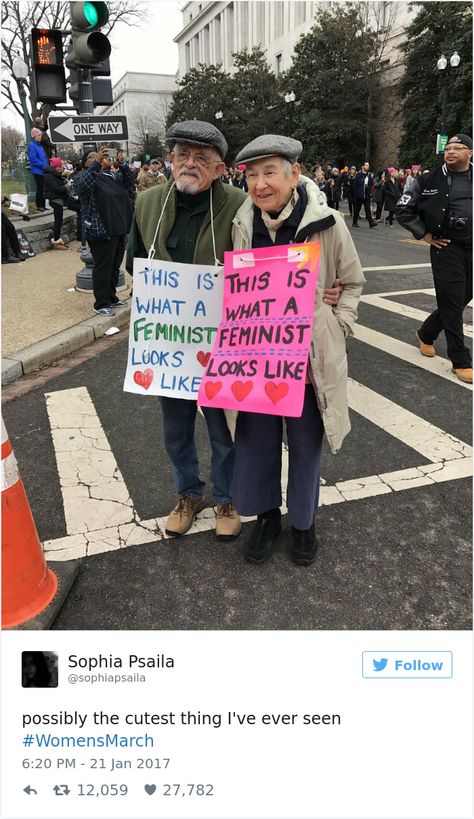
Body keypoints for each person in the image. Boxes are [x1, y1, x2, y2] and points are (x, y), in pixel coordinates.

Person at [126, 120, 343, 541]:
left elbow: (276, 263)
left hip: (225, 340)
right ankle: (188, 493)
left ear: (220, 167)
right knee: (175, 429)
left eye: (201, 159)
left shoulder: (240, 207)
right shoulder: (148, 203)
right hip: (169, 341)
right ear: (170, 159)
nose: (189, 164)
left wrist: (322, 290)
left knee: (223, 428)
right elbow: (137, 263)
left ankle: (226, 496)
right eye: (182, 155)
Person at [231, 135, 365, 566]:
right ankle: (267, 517)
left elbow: (352, 280)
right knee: (257, 443)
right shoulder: (242, 221)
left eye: (270, 172)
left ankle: (303, 523)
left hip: (307, 361)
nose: (260, 184)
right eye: (252, 175)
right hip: (256, 358)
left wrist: (339, 324)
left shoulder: (326, 222)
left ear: (295, 174)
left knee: (307, 444)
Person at [396, 133, 472, 384]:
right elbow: (403, 209)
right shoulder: (427, 179)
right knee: (452, 301)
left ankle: (426, 333)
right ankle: (460, 360)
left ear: (469, 153)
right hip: (445, 246)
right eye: (448, 147)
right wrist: (425, 234)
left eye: (458, 148)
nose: (450, 151)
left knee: (462, 298)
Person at [75, 147, 133, 316]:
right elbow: (83, 186)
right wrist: (97, 163)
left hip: (118, 228)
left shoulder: (110, 176)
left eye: (98, 156)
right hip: (100, 230)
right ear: (86, 164)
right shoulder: (82, 177)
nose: (97, 159)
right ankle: (101, 303)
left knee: (114, 266)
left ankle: (111, 297)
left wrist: (123, 166)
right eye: (91, 157)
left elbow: (129, 182)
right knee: (103, 267)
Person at [43, 157, 71, 250]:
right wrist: (67, 186)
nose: (61, 167)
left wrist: (64, 178)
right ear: (56, 167)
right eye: (60, 166)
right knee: (58, 221)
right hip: (55, 199)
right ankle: (56, 240)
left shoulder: (52, 174)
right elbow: (57, 189)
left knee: (59, 220)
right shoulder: (50, 175)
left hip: (57, 199)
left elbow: (57, 183)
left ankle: (57, 239)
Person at [27, 128, 49, 211]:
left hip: (43, 170)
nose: (40, 137)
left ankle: (43, 205)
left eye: (41, 135)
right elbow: (33, 159)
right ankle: (39, 206)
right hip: (38, 170)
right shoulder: (32, 145)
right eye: (39, 135)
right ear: (34, 136)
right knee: (40, 188)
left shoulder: (40, 146)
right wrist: (44, 166)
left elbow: (43, 158)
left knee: (43, 188)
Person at [353, 161, 377, 228]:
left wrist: (369, 192)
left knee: (367, 209)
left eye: (368, 165)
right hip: (359, 196)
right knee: (357, 209)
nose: (367, 167)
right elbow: (355, 186)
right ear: (363, 166)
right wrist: (357, 193)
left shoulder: (369, 175)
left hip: (366, 195)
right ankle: (354, 222)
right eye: (366, 165)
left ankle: (371, 223)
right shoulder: (358, 175)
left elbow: (371, 184)